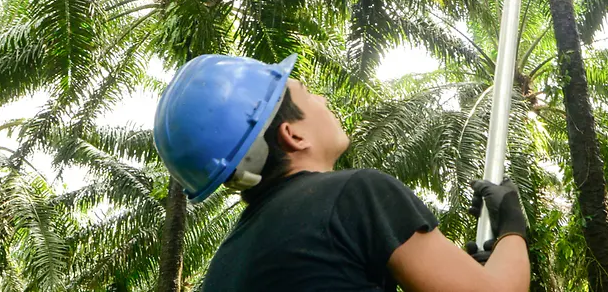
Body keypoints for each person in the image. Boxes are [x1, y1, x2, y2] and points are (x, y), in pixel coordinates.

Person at [153, 53, 531, 291]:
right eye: (307, 93)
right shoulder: (357, 194)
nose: (321, 98)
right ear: (293, 134)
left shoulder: (224, 266)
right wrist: (512, 228)